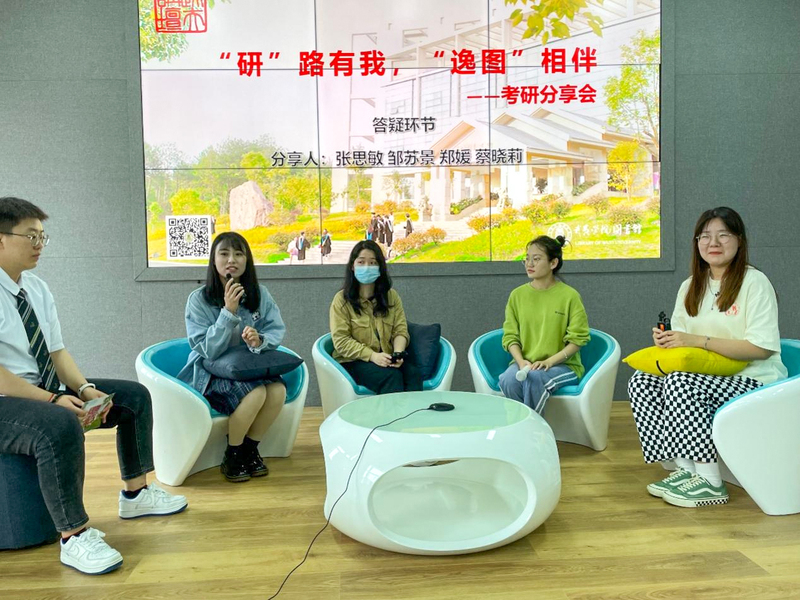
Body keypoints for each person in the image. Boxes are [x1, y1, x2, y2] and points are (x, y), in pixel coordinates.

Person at [0, 197, 187, 575]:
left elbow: (56, 352)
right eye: (31, 236)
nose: (39, 244)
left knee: (132, 398)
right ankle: (73, 536)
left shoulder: (36, 288)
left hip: (42, 387)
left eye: (42, 236)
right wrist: (52, 399)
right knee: (58, 424)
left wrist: (84, 389)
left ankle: (136, 493)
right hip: (8, 398)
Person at [628, 207, 786, 508]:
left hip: (753, 379)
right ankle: (683, 468)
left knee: (681, 382)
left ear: (739, 240)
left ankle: (711, 481)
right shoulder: (690, 286)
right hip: (709, 376)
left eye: (723, 235)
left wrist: (698, 341)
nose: (713, 243)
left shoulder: (755, 283)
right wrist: (668, 340)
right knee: (642, 381)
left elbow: (761, 348)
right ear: (697, 242)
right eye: (705, 236)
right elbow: (683, 345)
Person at [178, 232, 287, 483]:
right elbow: (205, 349)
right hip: (213, 371)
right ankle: (233, 453)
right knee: (256, 393)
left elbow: (275, 329)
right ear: (213, 259)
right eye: (224, 254)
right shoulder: (199, 299)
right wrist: (228, 312)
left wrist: (259, 339)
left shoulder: (260, 294)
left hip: (249, 367)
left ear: (247, 260)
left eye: (239, 254)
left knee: (278, 390)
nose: (231, 260)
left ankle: (250, 448)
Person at [499, 235, 589, 414]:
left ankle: (531, 429)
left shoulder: (570, 296)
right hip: (525, 363)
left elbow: (578, 340)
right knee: (508, 379)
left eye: (536, 259)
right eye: (527, 258)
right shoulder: (517, 295)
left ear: (553, 263)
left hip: (563, 366)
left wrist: (549, 362)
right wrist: (520, 361)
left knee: (534, 378)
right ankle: (524, 427)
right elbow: (510, 336)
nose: (529, 264)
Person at [329, 240, 422, 394]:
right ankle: (391, 411)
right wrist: (372, 356)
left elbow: (400, 330)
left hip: (386, 357)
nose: (367, 267)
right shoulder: (341, 300)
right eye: (361, 262)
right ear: (352, 266)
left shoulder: (391, 296)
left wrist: (398, 354)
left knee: (413, 374)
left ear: (380, 267)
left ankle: (413, 410)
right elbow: (341, 341)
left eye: (372, 262)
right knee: (390, 377)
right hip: (354, 361)